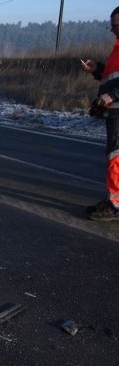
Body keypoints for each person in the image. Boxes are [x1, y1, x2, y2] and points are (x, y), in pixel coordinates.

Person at [83, 6, 119, 221]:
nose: (113, 30)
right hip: (114, 111)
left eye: (116, 26)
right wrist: (97, 69)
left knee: (116, 155)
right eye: (112, 26)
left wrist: (112, 96)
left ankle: (115, 204)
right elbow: (113, 77)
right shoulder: (117, 48)